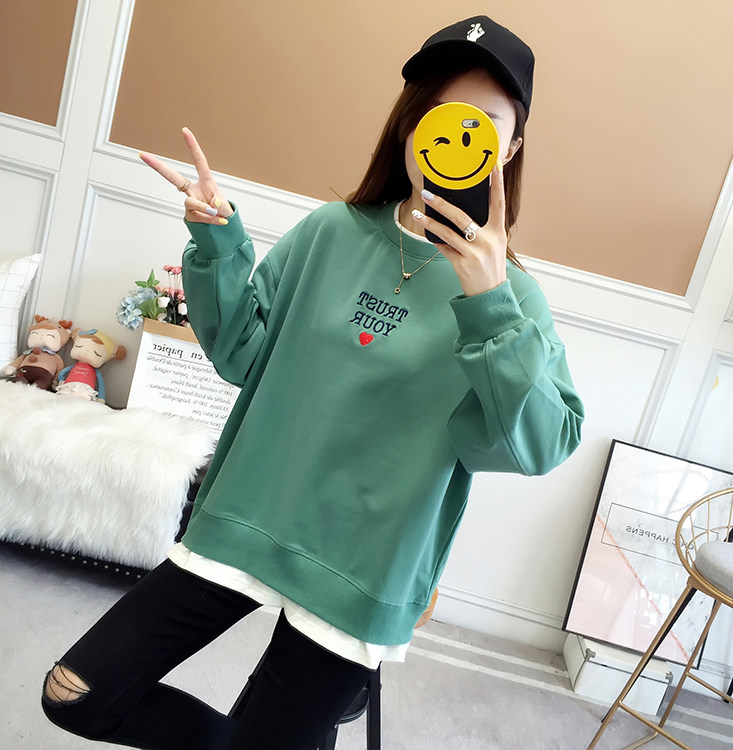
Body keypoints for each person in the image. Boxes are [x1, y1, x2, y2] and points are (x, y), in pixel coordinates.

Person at [41, 15, 584, 750]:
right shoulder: (333, 232)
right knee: (77, 694)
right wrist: (218, 239)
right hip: (251, 514)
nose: (456, 136)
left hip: (363, 568)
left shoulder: (514, 300)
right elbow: (242, 353)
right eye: (439, 112)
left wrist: (488, 303)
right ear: (410, 124)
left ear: (510, 148)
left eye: (483, 124)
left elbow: (540, 443)